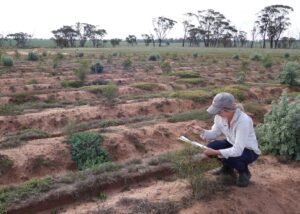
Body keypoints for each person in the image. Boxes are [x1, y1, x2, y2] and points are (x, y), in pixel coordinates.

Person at [189, 92, 261, 187]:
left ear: (227, 110)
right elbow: (214, 134)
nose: (217, 114)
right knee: (211, 147)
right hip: (232, 143)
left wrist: (216, 152)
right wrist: (202, 131)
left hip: (249, 150)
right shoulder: (219, 117)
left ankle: (244, 173)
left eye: (218, 111)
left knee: (229, 156)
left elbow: (238, 150)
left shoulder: (243, 121)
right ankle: (227, 169)